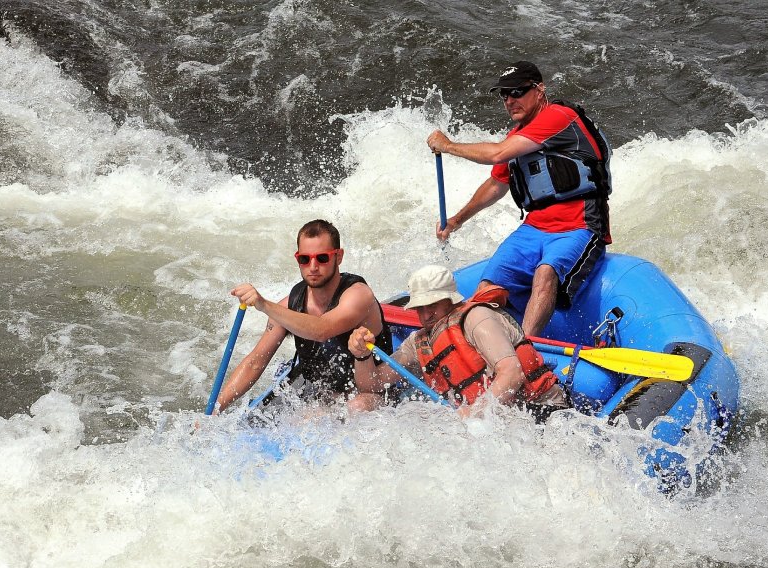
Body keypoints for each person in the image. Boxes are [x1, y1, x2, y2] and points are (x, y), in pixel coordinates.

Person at [427, 61, 612, 337]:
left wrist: (448, 146)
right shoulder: (517, 136)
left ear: (539, 90)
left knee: (546, 272)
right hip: (534, 228)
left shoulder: (559, 117)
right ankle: (482, 345)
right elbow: (496, 184)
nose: (510, 100)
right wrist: (456, 220)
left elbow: (497, 154)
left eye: (517, 92)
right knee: (489, 285)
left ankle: (526, 349)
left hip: (580, 225)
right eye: (504, 95)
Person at [214, 219, 392, 413]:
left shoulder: (358, 295)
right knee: (302, 418)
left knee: (356, 407)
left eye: (322, 258)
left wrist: (263, 305)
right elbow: (255, 362)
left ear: (338, 257)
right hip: (321, 396)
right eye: (304, 259)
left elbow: (321, 330)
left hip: (370, 393)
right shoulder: (289, 306)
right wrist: (215, 410)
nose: (313, 266)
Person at [347, 265, 568, 417]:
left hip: (540, 409)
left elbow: (511, 373)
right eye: (419, 308)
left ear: (450, 300)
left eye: (432, 305)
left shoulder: (476, 318)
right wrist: (362, 355)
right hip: (491, 421)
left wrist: (476, 413)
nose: (425, 315)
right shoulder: (418, 342)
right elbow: (372, 384)